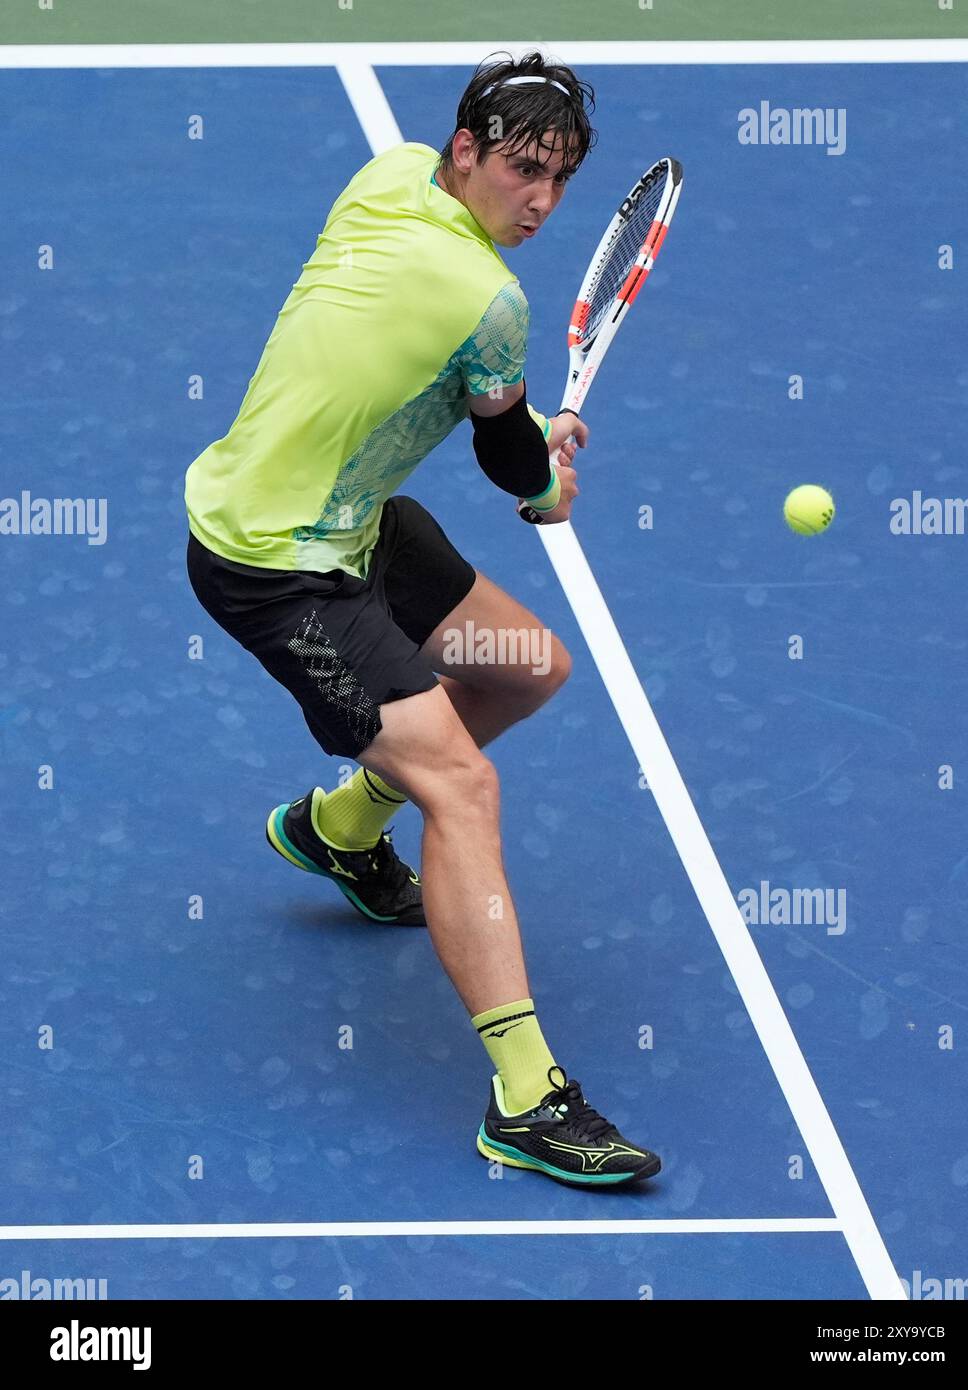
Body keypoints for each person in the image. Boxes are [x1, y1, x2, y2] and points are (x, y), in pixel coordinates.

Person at [185, 50, 661, 1187]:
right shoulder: (488, 301)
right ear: (465, 153)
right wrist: (541, 477)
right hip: (273, 562)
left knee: (523, 668)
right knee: (461, 780)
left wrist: (521, 422)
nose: (539, 201)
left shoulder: (388, 175)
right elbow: (507, 455)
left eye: (558, 178)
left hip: (351, 522)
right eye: (521, 169)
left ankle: (337, 831)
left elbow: (471, 389)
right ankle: (526, 1094)